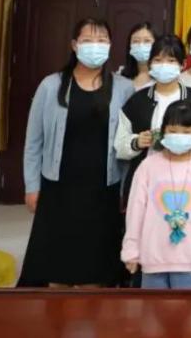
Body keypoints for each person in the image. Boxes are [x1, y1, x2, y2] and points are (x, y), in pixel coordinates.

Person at [20, 17, 135, 288]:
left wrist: (126, 190)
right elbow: (33, 142)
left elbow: (128, 142)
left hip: (103, 190)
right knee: (55, 270)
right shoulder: (50, 85)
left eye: (102, 40)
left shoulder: (124, 88)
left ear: (110, 45)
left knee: (95, 271)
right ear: (74, 45)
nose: (95, 46)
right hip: (58, 189)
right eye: (87, 40)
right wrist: (32, 186)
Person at [121, 100, 191, 289]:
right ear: (163, 131)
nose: (179, 136)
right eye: (173, 131)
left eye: (186, 131)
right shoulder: (148, 166)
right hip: (153, 259)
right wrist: (131, 250)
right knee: (153, 308)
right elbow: (136, 211)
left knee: (190, 308)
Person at [114, 35, 191, 206]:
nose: (164, 65)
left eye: (171, 60)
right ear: (150, 64)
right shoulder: (137, 100)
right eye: (158, 60)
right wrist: (136, 142)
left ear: (182, 64)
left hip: (187, 183)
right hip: (146, 182)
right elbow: (119, 146)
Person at [119, 21, 157, 90]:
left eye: (147, 41)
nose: (141, 45)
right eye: (136, 41)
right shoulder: (120, 75)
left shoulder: (163, 77)